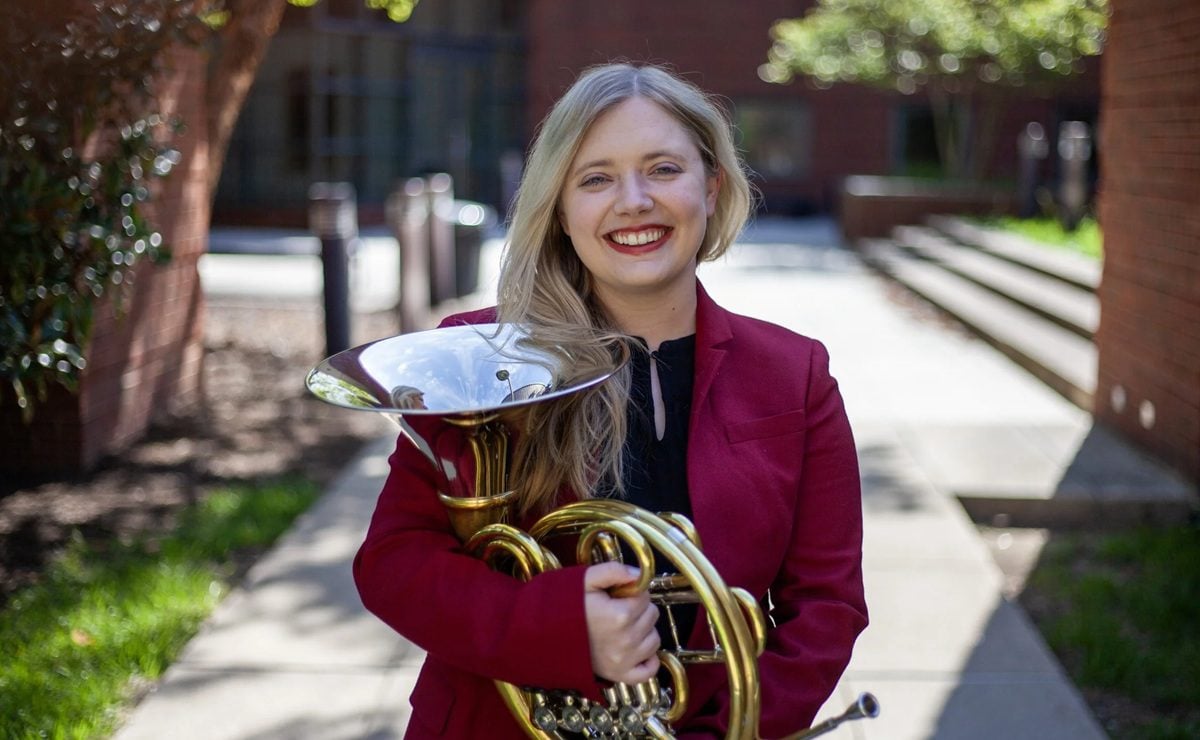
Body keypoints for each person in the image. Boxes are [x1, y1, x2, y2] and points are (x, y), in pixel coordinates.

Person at [354, 62, 867, 739]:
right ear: (561, 211)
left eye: (663, 169)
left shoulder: (795, 374)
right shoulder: (476, 354)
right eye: (596, 179)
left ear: (711, 189)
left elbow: (826, 607)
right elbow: (394, 564)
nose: (634, 201)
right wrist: (562, 627)